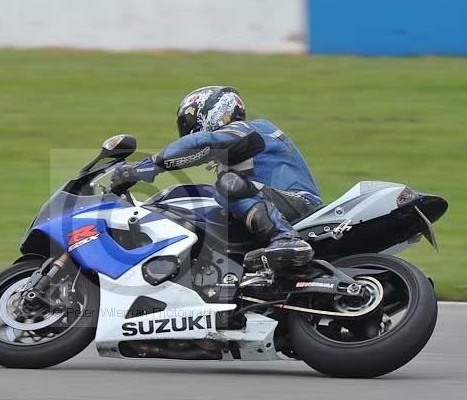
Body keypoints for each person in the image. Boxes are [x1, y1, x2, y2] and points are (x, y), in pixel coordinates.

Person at [111, 86, 322, 271]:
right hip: (278, 203)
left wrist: (148, 166)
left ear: (212, 112)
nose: (186, 131)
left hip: (301, 204)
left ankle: (286, 238)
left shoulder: (251, 129)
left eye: (189, 122)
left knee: (227, 185)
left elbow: (201, 142)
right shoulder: (233, 149)